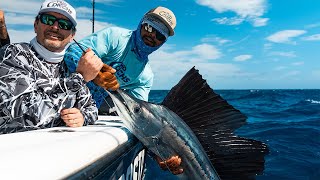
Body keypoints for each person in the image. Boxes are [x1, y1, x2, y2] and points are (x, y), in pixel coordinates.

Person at [0, 0, 103, 134]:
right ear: (36, 25)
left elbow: (92, 110)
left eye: (64, 24)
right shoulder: (13, 53)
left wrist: (82, 117)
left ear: (72, 35)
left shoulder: (69, 66)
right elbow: (26, 115)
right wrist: (80, 78)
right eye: (48, 20)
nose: (55, 27)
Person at [64, 6, 177, 108]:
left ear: (163, 42)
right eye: (149, 27)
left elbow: (138, 110)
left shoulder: (145, 77)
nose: (152, 35)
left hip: (86, 110)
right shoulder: (116, 37)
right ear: (141, 23)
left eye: (160, 35)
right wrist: (96, 74)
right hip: (61, 90)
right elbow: (72, 52)